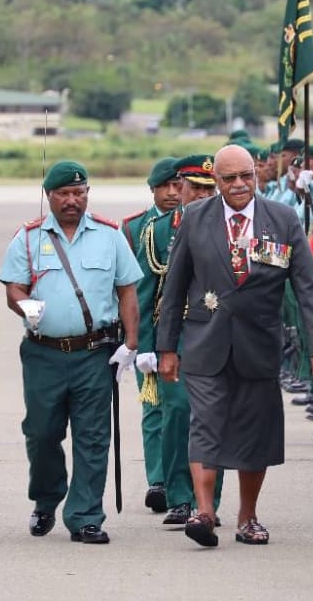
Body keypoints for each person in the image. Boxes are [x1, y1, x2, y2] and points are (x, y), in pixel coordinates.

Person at [156, 144, 313, 548]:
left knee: (256, 432)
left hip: (259, 343)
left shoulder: (283, 219)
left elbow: (307, 286)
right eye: (229, 178)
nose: (239, 185)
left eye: (246, 176)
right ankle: (204, 512)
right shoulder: (196, 218)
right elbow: (175, 286)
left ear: (255, 175)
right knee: (206, 422)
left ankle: (247, 517)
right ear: (215, 181)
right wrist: (167, 347)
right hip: (205, 341)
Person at [0, 160, 142, 544]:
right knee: (42, 433)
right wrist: (24, 304)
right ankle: (47, 498)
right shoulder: (28, 238)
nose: (72, 200)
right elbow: (13, 286)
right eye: (63, 193)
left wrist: (130, 343)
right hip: (43, 354)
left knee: (93, 436)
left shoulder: (110, 236)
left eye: (79, 193)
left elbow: (127, 290)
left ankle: (85, 516)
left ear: (87, 194)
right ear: (49, 196)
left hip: (94, 353)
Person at [133, 155, 225, 524]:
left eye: (208, 189)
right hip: (176, 337)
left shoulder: (231, 229)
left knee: (213, 418)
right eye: (194, 188)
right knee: (178, 414)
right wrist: (144, 347)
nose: (201, 195)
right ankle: (179, 496)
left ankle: (209, 503)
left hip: (218, 337)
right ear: (180, 188)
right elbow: (144, 292)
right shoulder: (158, 230)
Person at [122, 156, 182, 514]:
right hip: (151, 333)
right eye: (166, 187)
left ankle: (181, 482)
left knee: (183, 411)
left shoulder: (194, 222)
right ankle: (158, 479)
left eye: (179, 186)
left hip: (187, 335)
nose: (174, 193)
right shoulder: (134, 229)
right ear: (153, 190)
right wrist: (140, 343)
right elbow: (135, 291)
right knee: (153, 408)